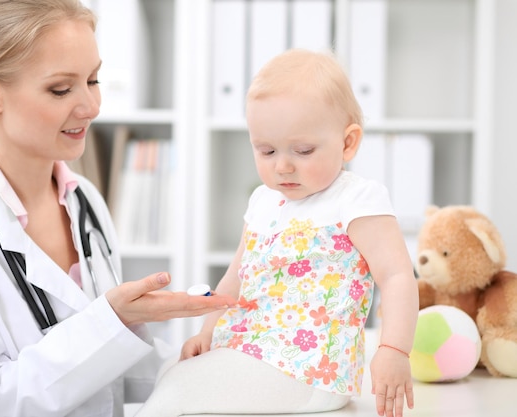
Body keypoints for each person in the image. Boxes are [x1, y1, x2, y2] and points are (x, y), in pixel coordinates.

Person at [0, 1, 236, 416]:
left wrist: (204, 360)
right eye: (61, 89)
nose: (91, 106)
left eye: (93, 80)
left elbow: (105, 367)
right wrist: (110, 321)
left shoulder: (84, 200)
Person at [135, 49, 419, 417]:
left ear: (347, 143)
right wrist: (208, 331)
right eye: (266, 150)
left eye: (303, 150)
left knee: (179, 391)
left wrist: (393, 349)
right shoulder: (263, 200)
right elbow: (235, 277)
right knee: (170, 372)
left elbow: (397, 276)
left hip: (309, 369)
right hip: (253, 351)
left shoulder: (356, 199)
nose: (283, 165)